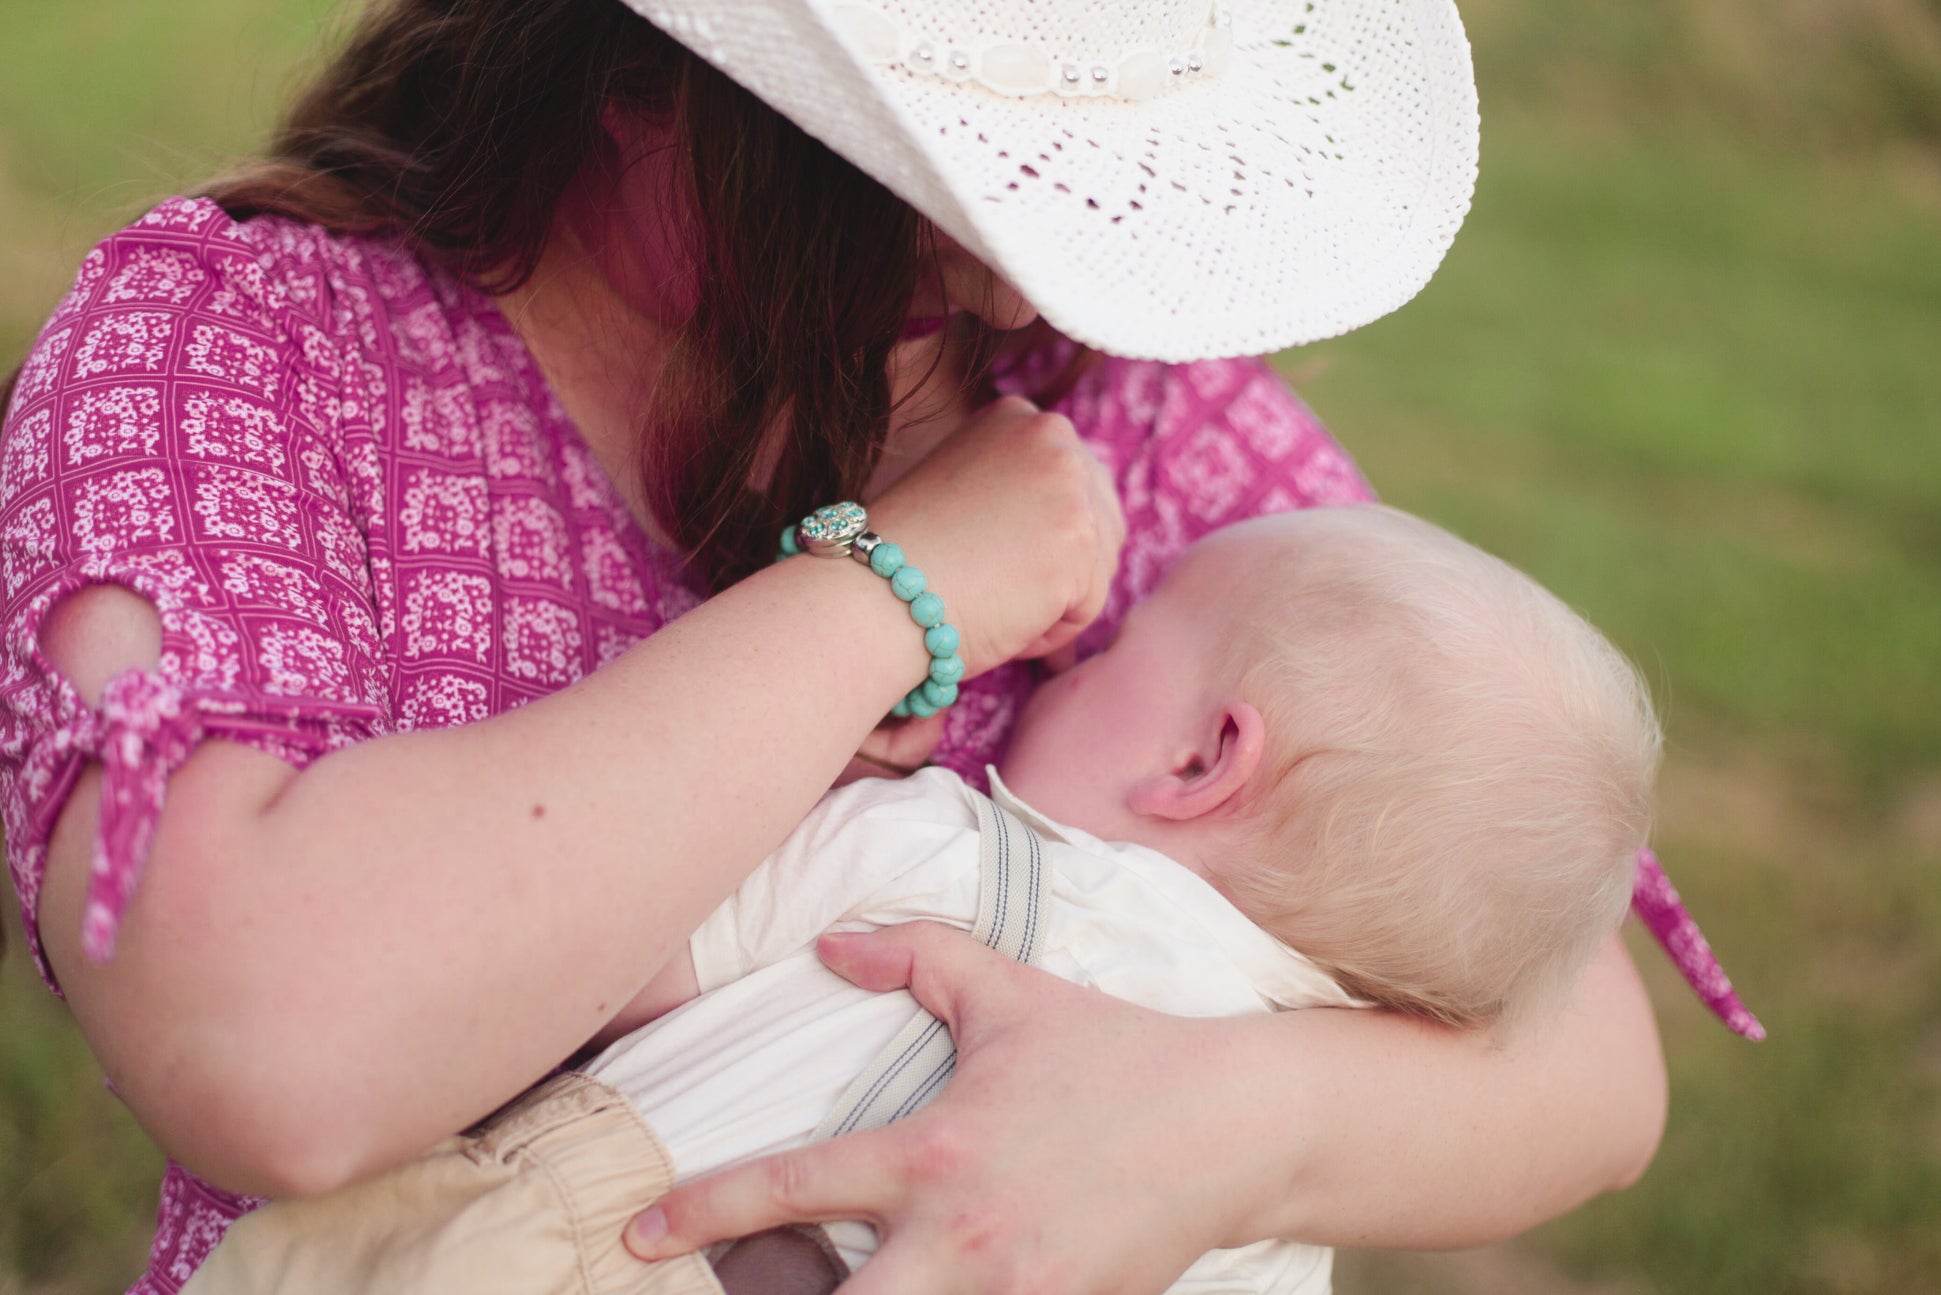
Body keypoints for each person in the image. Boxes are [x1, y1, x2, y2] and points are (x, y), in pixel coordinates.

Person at [0, 1, 1744, 1291]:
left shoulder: (1103, 388)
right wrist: (886, 595)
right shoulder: (245, 352)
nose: (1006, 292)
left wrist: (1201, 1134)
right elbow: (277, 1054)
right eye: (921, 185)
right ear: (630, 77)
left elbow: (1587, 1059)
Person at [175, 502, 1663, 1295]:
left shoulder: (930, 857)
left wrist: (814, 739)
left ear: (1205, 756)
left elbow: (579, 974)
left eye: (1113, 647)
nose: (1067, 662)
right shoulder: (1279, 1229)